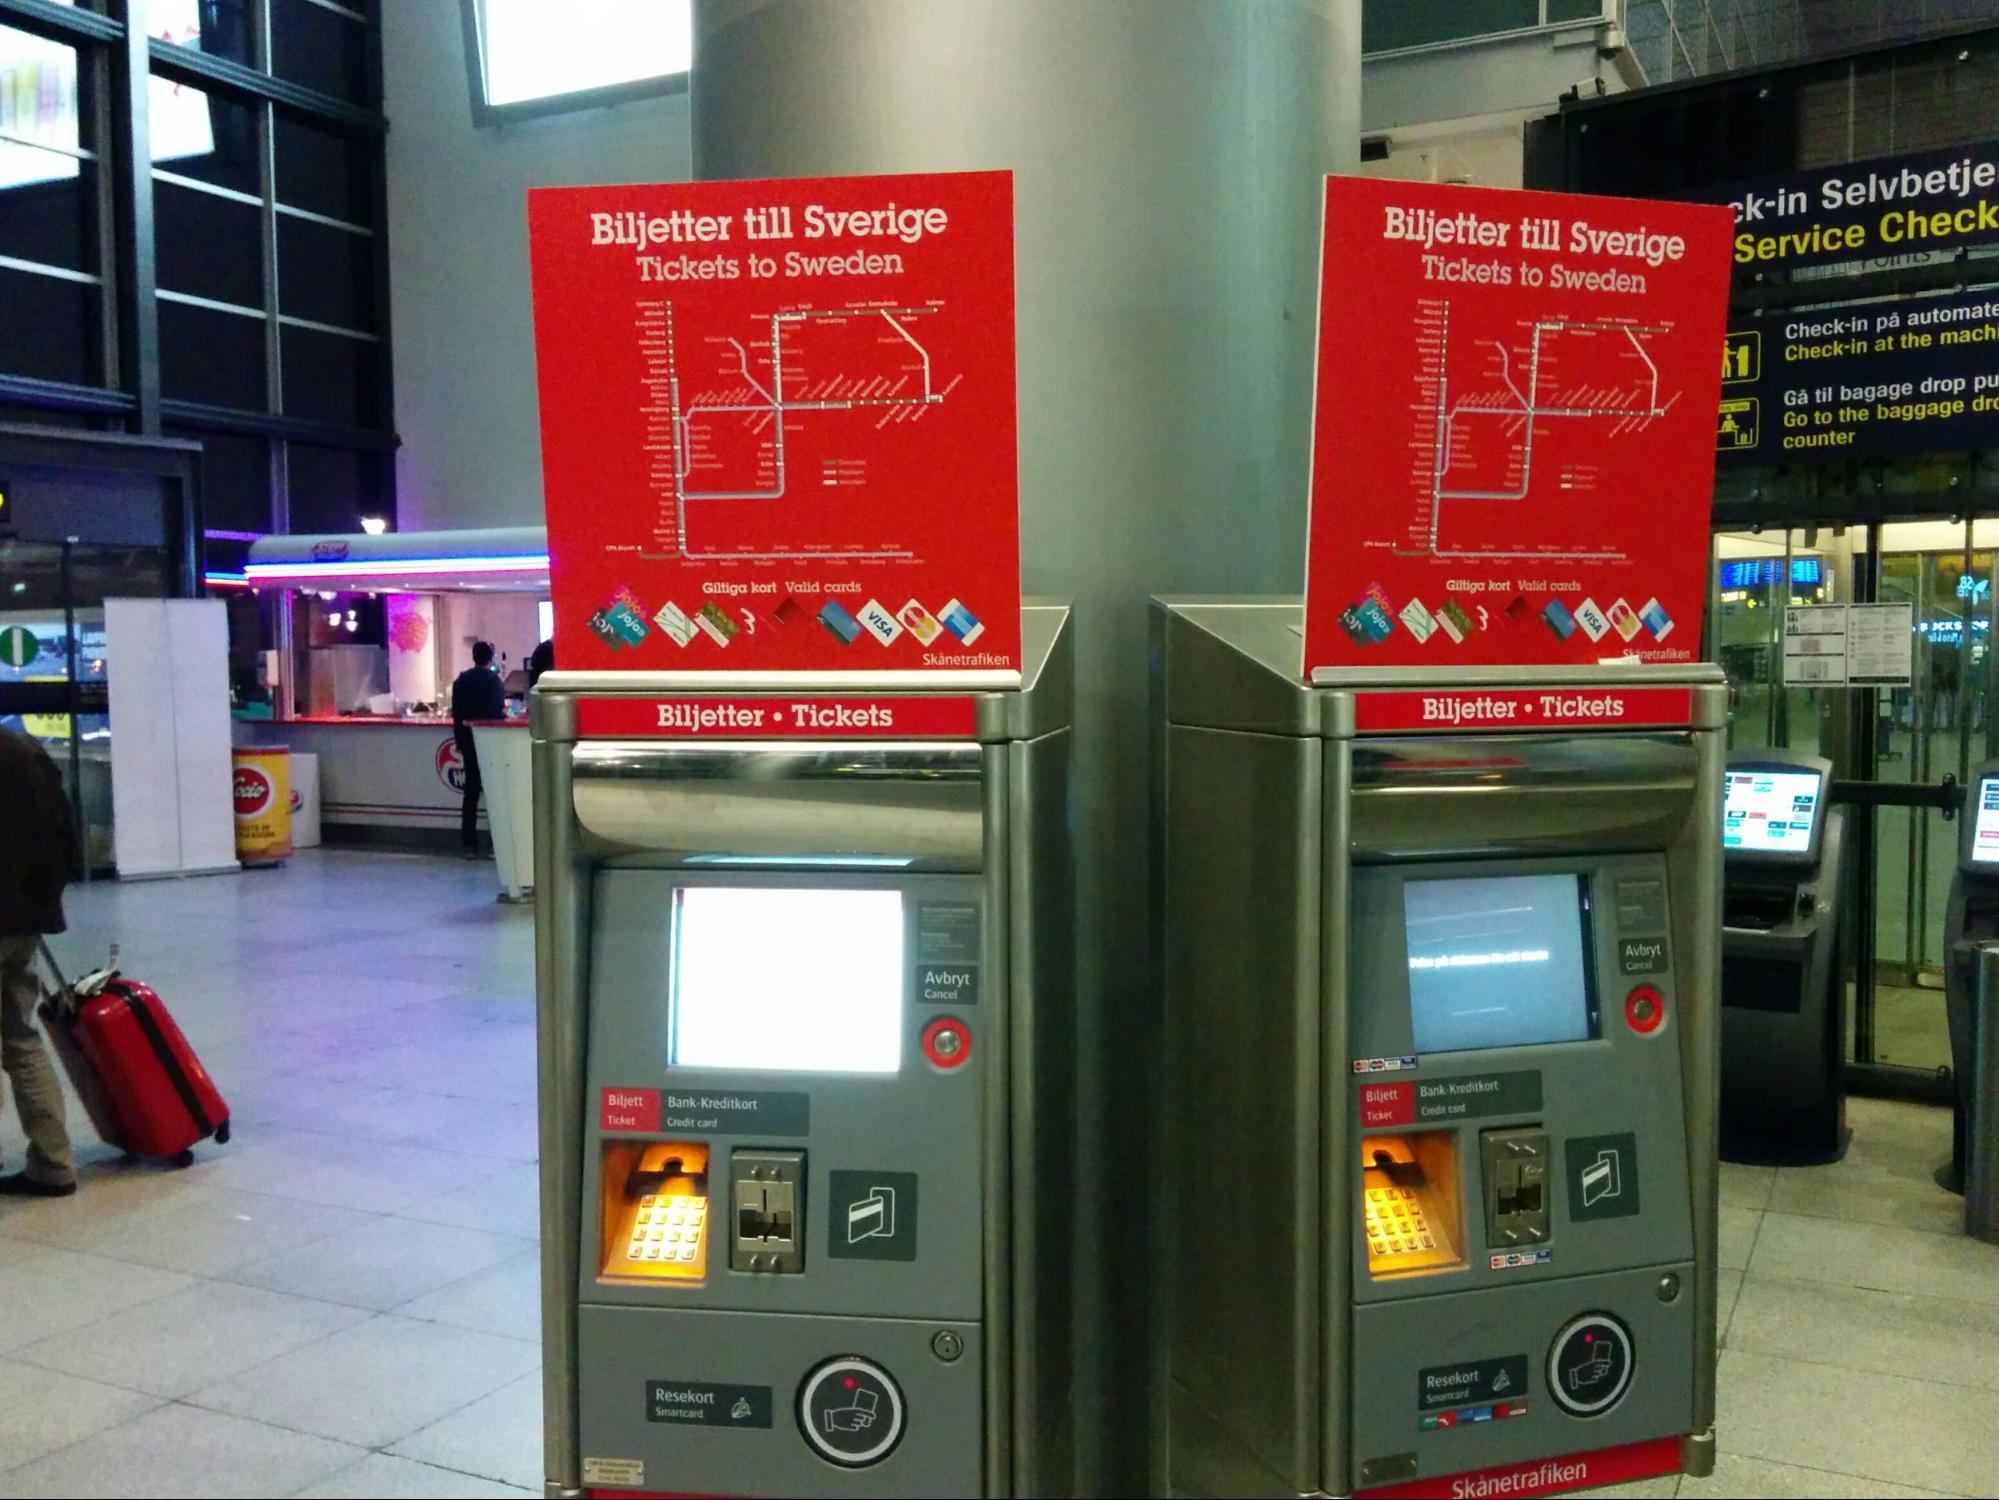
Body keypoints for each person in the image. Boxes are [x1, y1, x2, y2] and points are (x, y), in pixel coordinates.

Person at [0, 727, 79, 1197]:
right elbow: (66, 834)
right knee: (20, 1038)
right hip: (24, 921)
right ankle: (53, 1162)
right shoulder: (25, 750)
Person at [450, 641, 508, 857]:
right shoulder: (493, 681)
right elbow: (496, 713)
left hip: (469, 741)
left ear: (473, 657)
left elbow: (457, 715)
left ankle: (469, 845)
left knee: (471, 792)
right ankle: (496, 845)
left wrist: (460, 741)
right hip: (490, 742)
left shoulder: (460, 681)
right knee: (494, 793)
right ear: (490, 658)